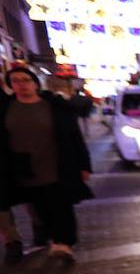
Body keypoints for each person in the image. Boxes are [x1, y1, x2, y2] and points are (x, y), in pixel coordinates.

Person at [0, 65, 93, 262]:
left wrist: (84, 165)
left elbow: (74, 137)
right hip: (23, 168)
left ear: (35, 83)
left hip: (57, 164)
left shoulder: (54, 106)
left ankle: (64, 243)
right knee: (40, 208)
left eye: (26, 80)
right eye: (16, 81)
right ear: (10, 85)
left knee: (61, 205)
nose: (21, 85)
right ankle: (53, 238)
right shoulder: (6, 109)